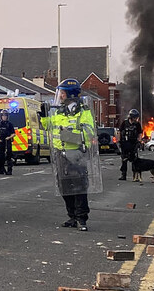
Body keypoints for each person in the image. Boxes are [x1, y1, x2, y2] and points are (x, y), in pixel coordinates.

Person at [41, 79, 96, 231]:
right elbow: (49, 128)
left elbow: (88, 133)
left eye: (63, 93)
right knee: (63, 186)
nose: (60, 96)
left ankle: (81, 218)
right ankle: (72, 215)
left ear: (71, 94)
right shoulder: (59, 110)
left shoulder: (83, 111)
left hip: (77, 153)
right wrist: (44, 116)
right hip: (60, 153)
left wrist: (69, 134)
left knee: (79, 186)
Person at [118, 109, 142, 181]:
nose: (136, 119)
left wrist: (139, 141)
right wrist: (119, 141)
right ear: (131, 117)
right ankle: (123, 175)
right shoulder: (124, 123)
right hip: (125, 143)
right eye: (135, 117)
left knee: (134, 160)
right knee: (124, 160)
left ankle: (135, 176)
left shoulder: (137, 124)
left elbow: (140, 133)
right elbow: (119, 131)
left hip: (133, 144)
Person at [0, 110, 15, 175]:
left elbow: (13, 133)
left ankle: (9, 170)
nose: (4, 117)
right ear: (1, 117)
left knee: (8, 156)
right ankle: (1, 169)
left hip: (7, 141)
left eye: (5, 116)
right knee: (0, 156)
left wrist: (9, 137)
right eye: (3, 116)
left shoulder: (9, 124)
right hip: (0, 141)